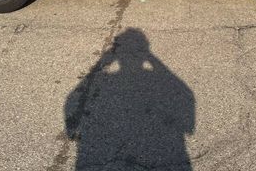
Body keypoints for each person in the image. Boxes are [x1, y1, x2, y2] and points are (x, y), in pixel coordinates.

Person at [65, 28, 195, 170]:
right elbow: (180, 88)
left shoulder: (109, 78)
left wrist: (105, 59)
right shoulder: (149, 76)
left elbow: (73, 98)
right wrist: (149, 56)